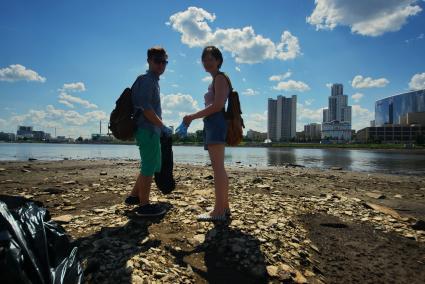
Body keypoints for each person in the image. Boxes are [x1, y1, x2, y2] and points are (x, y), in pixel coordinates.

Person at [183, 46, 231, 222]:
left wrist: (192, 116)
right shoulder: (218, 78)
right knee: (220, 169)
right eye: (205, 59)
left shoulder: (219, 78)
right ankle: (223, 207)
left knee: (218, 169)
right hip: (215, 123)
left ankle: (218, 211)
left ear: (218, 60)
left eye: (211, 59)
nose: (207, 62)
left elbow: (217, 106)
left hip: (216, 122)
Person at [125, 46, 172, 217]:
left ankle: (133, 196)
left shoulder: (152, 81)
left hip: (150, 130)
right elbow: (146, 109)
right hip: (147, 129)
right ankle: (144, 205)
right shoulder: (147, 80)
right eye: (157, 61)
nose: (161, 65)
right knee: (149, 166)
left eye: (164, 61)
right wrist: (162, 126)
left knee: (149, 164)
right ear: (149, 61)